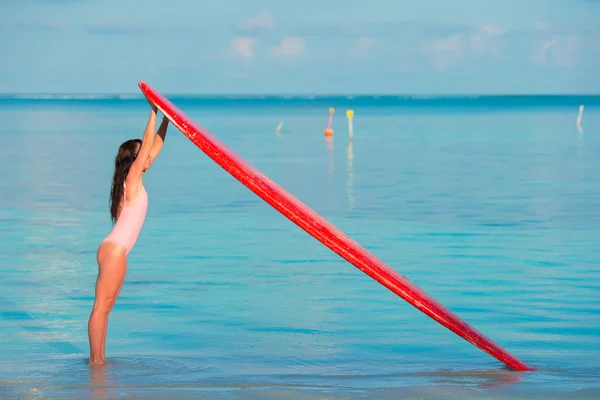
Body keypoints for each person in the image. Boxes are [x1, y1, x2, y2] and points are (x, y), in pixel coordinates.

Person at [88, 101, 169, 365]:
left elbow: (153, 148)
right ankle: (95, 361)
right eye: (141, 154)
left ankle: (100, 361)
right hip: (113, 250)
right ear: (133, 160)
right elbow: (148, 146)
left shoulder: (136, 177)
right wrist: (154, 111)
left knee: (107, 307)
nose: (148, 157)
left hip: (118, 251)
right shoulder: (131, 180)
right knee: (101, 307)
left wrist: (168, 120)